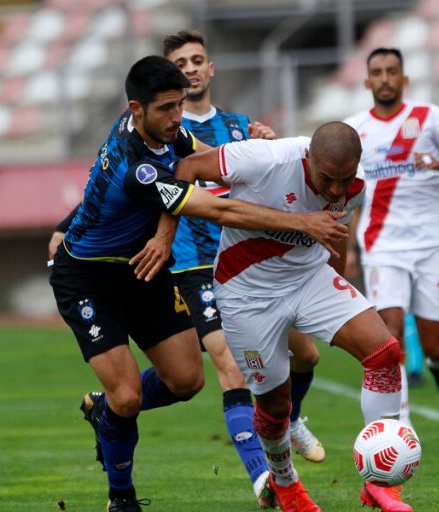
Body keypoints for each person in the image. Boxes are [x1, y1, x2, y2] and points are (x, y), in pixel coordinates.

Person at [48, 55, 348, 512]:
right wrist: (301, 222)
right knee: (128, 395)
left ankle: (104, 413)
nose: (176, 117)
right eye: (166, 108)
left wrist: (256, 150)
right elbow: (219, 209)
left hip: (139, 266)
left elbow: (206, 163)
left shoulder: (159, 131)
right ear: (136, 108)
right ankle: (121, 498)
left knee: (187, 381)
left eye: (179, 105)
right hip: (86, 278)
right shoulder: (137, 169)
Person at [175, 121, 413, 512]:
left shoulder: (356, 185)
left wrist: (339, 307)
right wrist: (165, 236)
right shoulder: (265, 157)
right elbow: (185, 170)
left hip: (308, 278)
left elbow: (335, 233)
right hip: (245, 291)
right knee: (275, 407)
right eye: (326, 179)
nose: (336, 189)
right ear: (309, 159)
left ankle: (379, 481)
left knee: (384, 353)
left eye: (345, 178)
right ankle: (284, 483)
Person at [162, 29, 325, 504]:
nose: (191, 68)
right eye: (181, 63)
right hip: (195, 267)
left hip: (253, 262)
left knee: (308, 357)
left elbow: (272, 173)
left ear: (211, 69)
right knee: (231, 368)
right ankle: (263, 477)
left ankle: (292, 420)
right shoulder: (165, 133)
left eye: (198, 60)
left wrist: (268, 145)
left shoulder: (240, 127)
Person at [343, 47, 439, 427]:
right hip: (383, 246)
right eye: (377, 72)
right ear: (367, 81)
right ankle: (399, 426)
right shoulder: (355, 129)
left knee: (434, 343)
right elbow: (354, 194)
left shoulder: (428, 117)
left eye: (392, 71)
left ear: (404, 79)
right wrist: (351, 245)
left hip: (433, 244)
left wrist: (438, 163)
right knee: (390, 337)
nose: (385, 78)